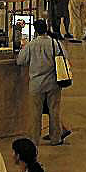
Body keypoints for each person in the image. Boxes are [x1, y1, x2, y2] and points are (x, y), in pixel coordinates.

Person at [16, 19, 66, 147]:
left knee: (35, 113)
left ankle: (34, 140)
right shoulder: (55, 43)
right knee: (54, 110)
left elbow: (20, 61)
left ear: (35, 30)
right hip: (54, 83)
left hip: (36, 84)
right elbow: (64, 57)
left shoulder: (31, 45)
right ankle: (56, 138)